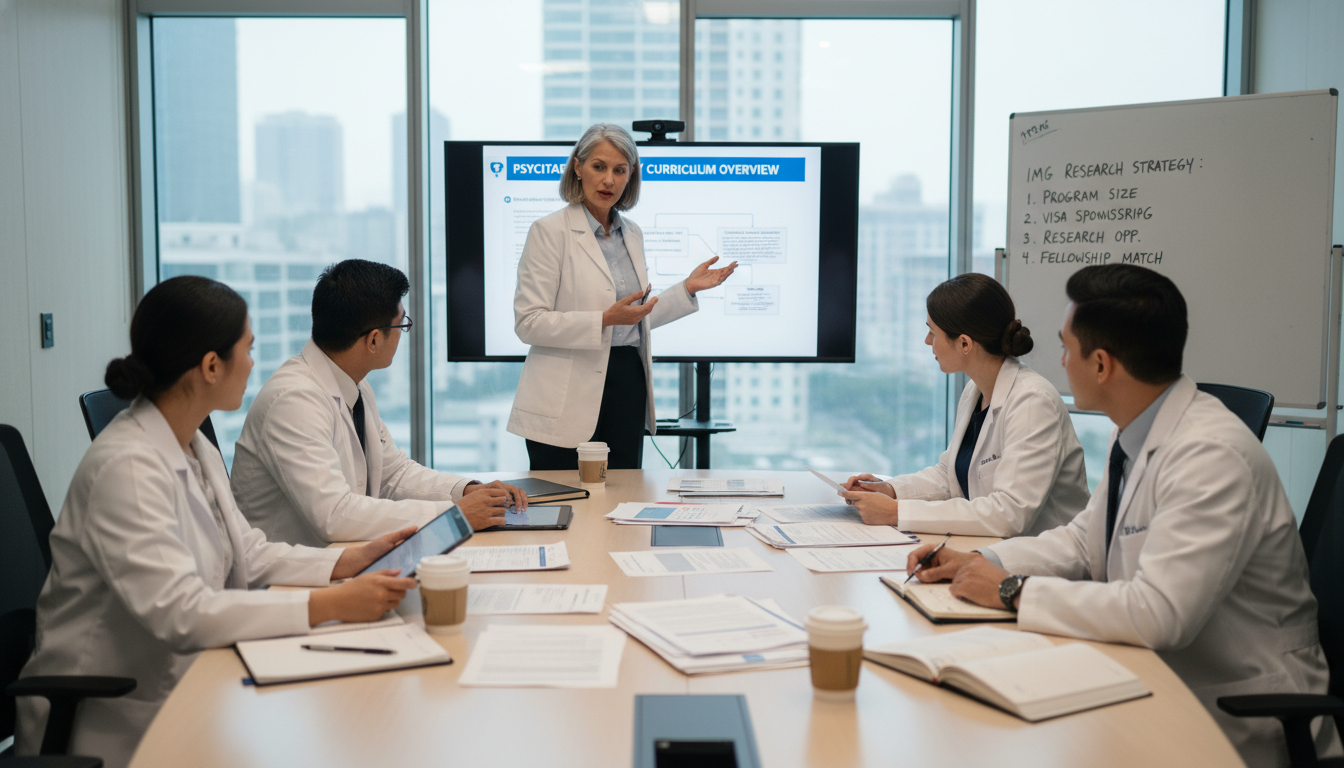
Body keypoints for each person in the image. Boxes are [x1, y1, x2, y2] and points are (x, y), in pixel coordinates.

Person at [904, 264, 1336, 767]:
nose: (1059, 362)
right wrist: (980, 558)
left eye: (1067, 349)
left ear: (1102, 364)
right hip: (1156, 677)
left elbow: (1160, 615)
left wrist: (1010, 591)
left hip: (1234, 712)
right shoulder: (1134, 431)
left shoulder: (1212, 456)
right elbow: (1083, 542)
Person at [14, 277, 417, 768]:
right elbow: (183, 613)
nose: (252, 364)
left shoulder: (191, 442)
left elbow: (245, 549)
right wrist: (328, 603)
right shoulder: (127, 468)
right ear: (210, 366)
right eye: (246, 350)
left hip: (193, 680)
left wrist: (347, 561)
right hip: (115, 714)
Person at [231, 260, 525, 547]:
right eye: (402, 325)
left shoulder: (354, 385)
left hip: (339, 562)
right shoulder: (294, 401)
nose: (403, 334)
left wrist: (466, 491)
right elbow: (334, 515)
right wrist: (455, 515)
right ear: (373, 340)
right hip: (287, 583)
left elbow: (392, 474)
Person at [509, 123, 738, 470]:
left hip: (627, 382)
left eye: (620, 170)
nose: (609, 181)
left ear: (631, 175)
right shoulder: (548, 231)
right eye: (599, 167)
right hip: (566, 390)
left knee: (622, 499)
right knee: (561, 501)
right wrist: (603, 319)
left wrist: (687, 289)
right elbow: (529, 323)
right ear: (578, 167)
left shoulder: (632, 233)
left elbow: (633, 319)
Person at [840, 273, 1089, 537]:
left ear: (964, 343)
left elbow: (1008, 514)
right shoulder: (976, 390)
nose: (927, 342)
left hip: (1046, 564)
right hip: (993, 550)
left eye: (932, 332)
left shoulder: (1032, 402)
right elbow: (950, 475)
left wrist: (896, 512)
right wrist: (889, 490)